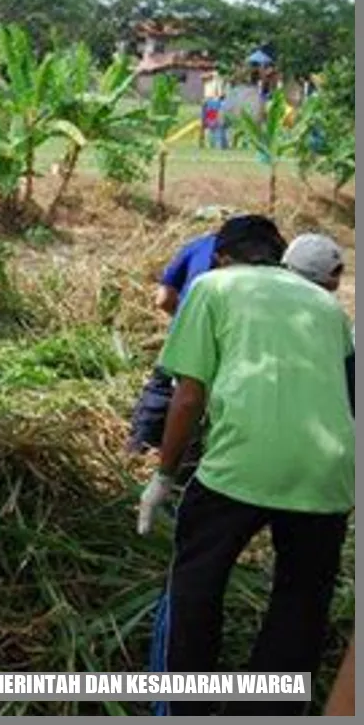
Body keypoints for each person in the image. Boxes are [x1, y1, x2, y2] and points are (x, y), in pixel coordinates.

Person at [140, 215, 355, 716]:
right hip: (329, 472)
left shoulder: (213, 286)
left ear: (220, 256)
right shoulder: (328, 306)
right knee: (302, 601)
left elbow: (189, 396)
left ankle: (187, 707)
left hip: (240, 465)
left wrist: (163, 476)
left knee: (196, 583)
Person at [126, 228, 219, 456]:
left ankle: (137, 449)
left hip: (184, 334)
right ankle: (190, 460)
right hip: (233, 341)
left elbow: (163, 299)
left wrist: (186, 320)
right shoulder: (267, 263)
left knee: (161, 389)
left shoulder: (197, 245)